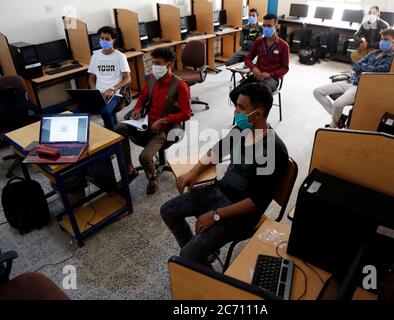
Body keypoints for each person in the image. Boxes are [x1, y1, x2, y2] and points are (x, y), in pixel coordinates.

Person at [161, 83, 288, 266]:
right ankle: (200, 258)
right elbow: (217, 151)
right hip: (221, 191)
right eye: (236, 105)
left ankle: (197, 264)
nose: (236, 111)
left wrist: (215, 215)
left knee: (187, 256)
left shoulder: (273, 150)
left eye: (241, 107)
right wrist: (192, 173)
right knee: (168, 211)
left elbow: (255, 202)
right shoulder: (242, 130)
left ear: (258, 114)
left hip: (242, 213)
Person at [115, 48, 191, 195]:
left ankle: (152, 178)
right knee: (118, 128)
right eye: (153, 62)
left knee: (144, 157)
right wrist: (137, 110)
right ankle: (129, 169)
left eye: (157, 63)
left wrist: (164, 121)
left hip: (164, 130)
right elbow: (143, 98)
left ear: (168, 65)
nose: (154, 66)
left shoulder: (180, 85)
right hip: (145, 122)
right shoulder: (151, 79)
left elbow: (186, 114)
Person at [313, 28, 394, 129]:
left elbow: (378, 71)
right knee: (317, 92)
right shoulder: (375, 52)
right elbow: (356, 65)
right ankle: (340, 119)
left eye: (386, 39)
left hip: (361, 86)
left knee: (337, 104)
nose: (382, 42)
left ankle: (333, 125)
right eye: (381, 39)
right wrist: (365, 68)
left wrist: (364, 67)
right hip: (350, 80)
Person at [76, 26, 131, 130]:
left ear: (113, 40)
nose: (103, 41)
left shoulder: (120, 56)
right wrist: (94, 90)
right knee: (78, 111)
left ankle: (113, 138)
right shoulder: (95, 56)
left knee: (105, 112)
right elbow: (91, 77)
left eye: (107, 39)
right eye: (102, 38)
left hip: (114, 93)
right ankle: (82, 136)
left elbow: (127, 78)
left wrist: (113, 88)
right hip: (98, 93)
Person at [229, 14, 290, 104]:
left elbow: (285, 68)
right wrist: (253, 68)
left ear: (276, 26)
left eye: (269, 26)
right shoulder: (259, 42)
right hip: (256, 76)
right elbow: (248, 59)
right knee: (234, 94)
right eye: (264, 26)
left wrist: (269, 74)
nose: (265, 28)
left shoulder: (284, 45)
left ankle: (256, 117)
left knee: (258, 96)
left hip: (272, 79)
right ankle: (243, 117)